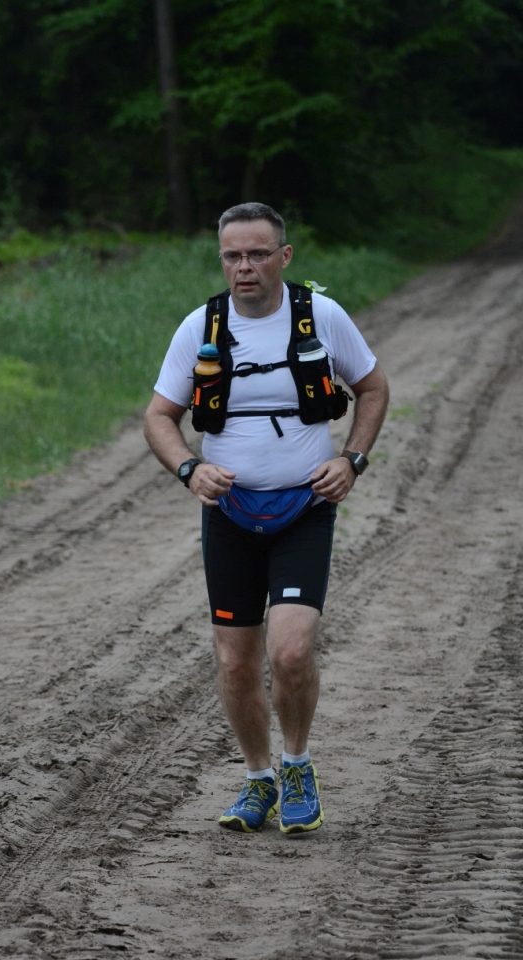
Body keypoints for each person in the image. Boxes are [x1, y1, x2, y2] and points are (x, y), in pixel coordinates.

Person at [144, 202, 389, 834]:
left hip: (304, 509)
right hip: (229, 515)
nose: (244, 267)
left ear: (284, 256)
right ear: (221, 259)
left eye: (257, 254)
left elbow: (373, 387)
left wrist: (352, 459)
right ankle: (258, 779)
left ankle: (297, 766)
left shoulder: (320, 316)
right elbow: (159, 416)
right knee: (234, 662)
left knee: (291, 651)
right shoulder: (201, 325)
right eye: (232, 256)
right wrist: (189, 469)